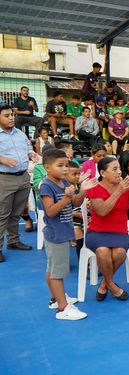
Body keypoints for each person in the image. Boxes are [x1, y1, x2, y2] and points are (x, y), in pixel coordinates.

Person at [40, 149, 97, 320]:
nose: (65, 169)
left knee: (52, 268)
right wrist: (65, 198)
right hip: (56, 235)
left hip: (63, 233)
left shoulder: (63, 182)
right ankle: (63, 308)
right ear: (47, 167)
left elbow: (74, 203)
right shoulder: (46, 186)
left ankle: (55, 299)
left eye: (66, 165)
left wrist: (83, 190)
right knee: (57, 272)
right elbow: (50, 212)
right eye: (60, 165)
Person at [86, 157, 129, 301]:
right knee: (102, 251)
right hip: (97, 232)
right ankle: (112, 285)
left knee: (119, 252)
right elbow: (102, 211)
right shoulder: (95, 188)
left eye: (119, 168)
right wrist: (119, 191)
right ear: (103, 173)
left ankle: (105, 284)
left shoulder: (124, 187)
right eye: (114, 169)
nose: (119, 172)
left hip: (119, 232)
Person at [0, 104, 34, 262]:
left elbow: (28, 147)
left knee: (16, 212)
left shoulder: (20, 133)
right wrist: (2, 159)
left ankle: (13, 241)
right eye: (6, 115)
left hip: (23, 177)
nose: (11, 117)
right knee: (2, 215)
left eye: (12, 114)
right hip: (5, 178)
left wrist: (32, 154)